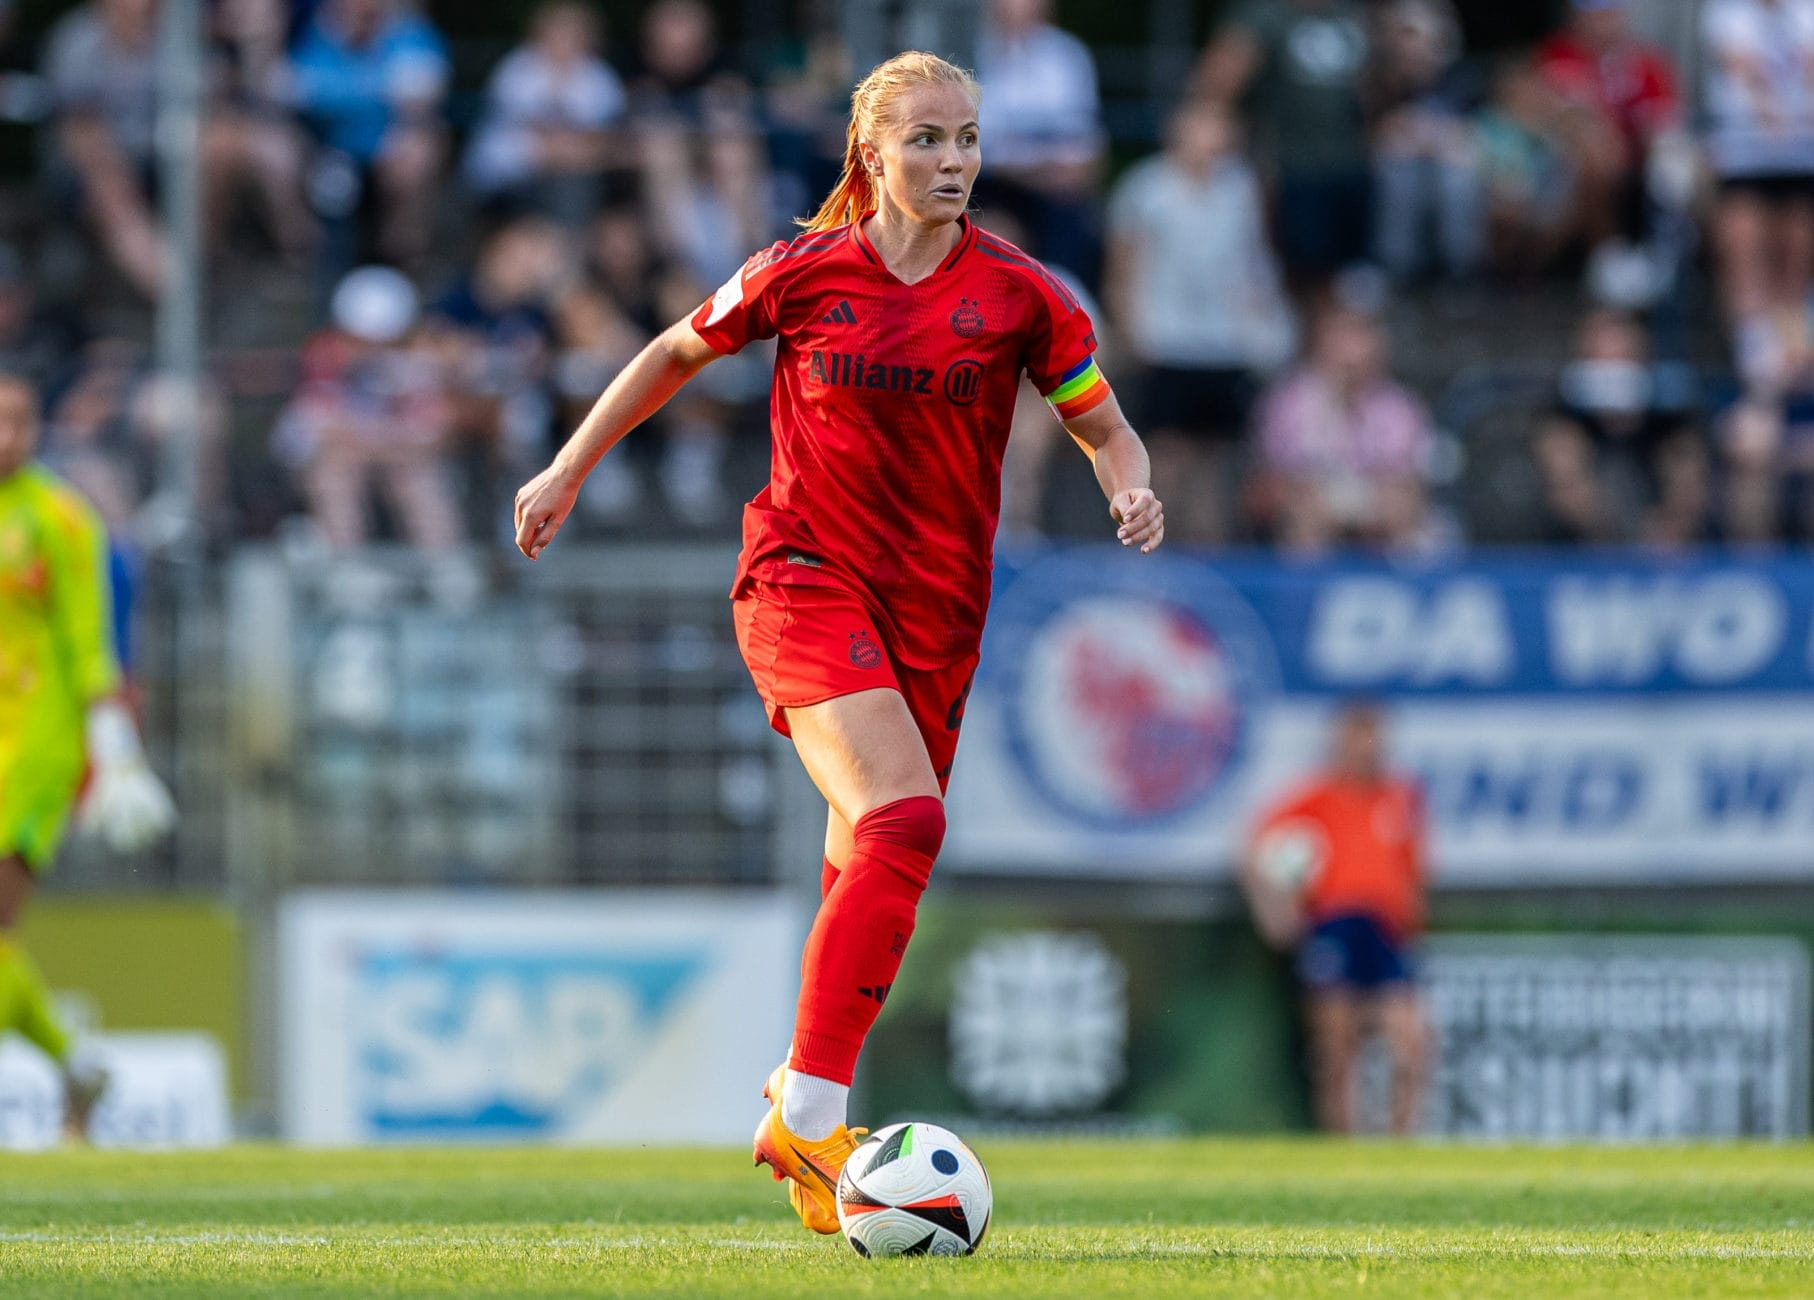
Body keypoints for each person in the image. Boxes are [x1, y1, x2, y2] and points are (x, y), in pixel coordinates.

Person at [513, 51, 1164, 1233]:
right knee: (905, 820)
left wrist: (1130, 487)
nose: (954, 161)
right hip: (802, 579)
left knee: (862, 865)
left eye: (966, 138)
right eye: (925, 140)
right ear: (869, 154)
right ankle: (809, 1118)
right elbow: (672, 351)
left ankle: (807, 1108)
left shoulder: (1025, 297)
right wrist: (567, 467)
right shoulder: (803, 270)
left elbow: (1104, 427)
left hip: (936, 614)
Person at [0, 372, 175, 1139]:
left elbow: (90, 643)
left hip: (34, 745)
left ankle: (74, 1064)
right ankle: (75, 1064)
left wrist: (114, 749)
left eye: (18, 420)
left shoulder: (61, 519)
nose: (5, 434)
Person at [1105, 101, 1293, 544]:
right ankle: (1157, 547)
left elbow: (1253, 263)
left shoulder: (1241, 188)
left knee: (1215, 460)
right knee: (1165, 454)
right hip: (1166, 342)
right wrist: (1133, 330)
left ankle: (1209, 554)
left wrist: (1263, 327)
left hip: (1224, 344)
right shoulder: (1146, 189)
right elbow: (1123, 265)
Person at [1242, 702, 1426, 1135]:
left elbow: (1412, 872)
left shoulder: (1399, 798)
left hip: (1386, 930)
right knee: (1336, 1047)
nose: (1365, 747)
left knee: (1411, 1044)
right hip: (1335, 926)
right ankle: (1340, 1148)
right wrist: (1273, 910)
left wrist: (1412, 922)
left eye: (1372, 735)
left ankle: (1400, 1147)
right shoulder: (1317, 797)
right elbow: (1255, 849)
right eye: (1355, 736)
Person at [1250, 297, 1439, 553]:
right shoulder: (1289, 401)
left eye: (1362, 333)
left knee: (1405, 514)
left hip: (1375, 505)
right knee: (1304, 516)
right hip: (1312, 505)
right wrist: (1332, 406)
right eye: (1342, 333)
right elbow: (1272, 486)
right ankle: (1303, 592)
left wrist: (1365, 505)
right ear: (1320, 340)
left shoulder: (1401, 406)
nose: (1351, 348)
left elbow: (1410, 484)